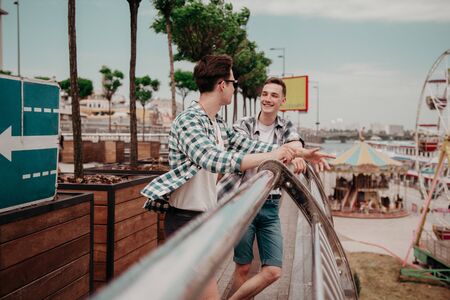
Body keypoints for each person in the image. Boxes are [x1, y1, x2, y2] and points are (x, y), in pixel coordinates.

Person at [141, 55, 333, 300]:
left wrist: (301, 152)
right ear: (222, 85)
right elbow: (212, 159)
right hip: (184, 222)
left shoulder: (216, 122)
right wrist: (275, 156)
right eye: (233, 82)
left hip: (202, 219)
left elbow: (249, 145)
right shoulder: (189, 120)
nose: (235, 87)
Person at [216, 77, 330, 300]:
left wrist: (298, 154)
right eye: (265, 94)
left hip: (270, 205)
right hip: (243, 203)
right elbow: (249, 153)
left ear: (282, 101)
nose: (268, 99)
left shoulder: (285, 126)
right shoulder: (244, 125)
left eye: (274, 95)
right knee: (243, 267)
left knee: (274, 271)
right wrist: (291, 154)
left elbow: (294, 142)